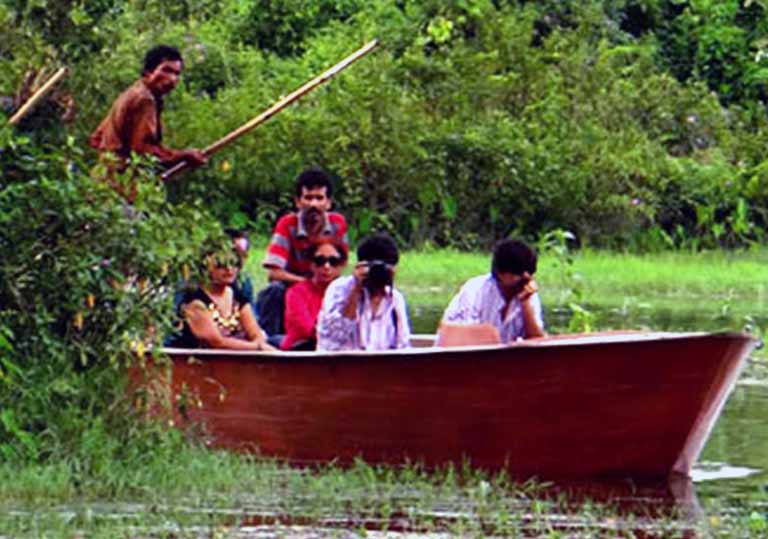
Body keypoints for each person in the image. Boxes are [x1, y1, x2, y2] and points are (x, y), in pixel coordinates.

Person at [89, 45, 207, 201]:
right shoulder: (144, 99)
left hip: (101, 183)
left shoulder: (132, 93)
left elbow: (96, 138)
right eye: (166, 70)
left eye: (177, 74)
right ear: (148, 71)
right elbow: (143, 151)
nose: (172, 79)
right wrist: (183, 156)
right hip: (119, 189)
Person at [257, 168, 348, 338]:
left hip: (326, 283)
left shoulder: (337, 223)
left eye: (319, 198)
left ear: (328, 203)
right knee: (274, 291)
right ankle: (268, 340)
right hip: (294, 285)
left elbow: (341, 264)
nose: (314, 204)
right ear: (298, 202)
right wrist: (309, 283)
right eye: (308, 198)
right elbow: (274, 273)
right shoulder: (287, 224)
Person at [317, 233, 411, 351]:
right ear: (361, 266)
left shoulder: (395, 299)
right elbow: (334, 338)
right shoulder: (339, 289)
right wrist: (356, 290)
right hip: (342, 360)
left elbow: (403, 345)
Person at [440, 238, 545, 343]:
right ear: (501, 274)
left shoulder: (527, 294)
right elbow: (462, 337)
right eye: (519, 274)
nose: (526, 279)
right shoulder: (475, 290)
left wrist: (525, 303)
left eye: (529, 274)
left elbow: (537, 341)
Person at [172, 248, 274, 350]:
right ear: (205, 268)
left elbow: (256, 334)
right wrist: (258, 347)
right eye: (220, 265)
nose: (229, 269)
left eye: (234, 263)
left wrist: (260, 345)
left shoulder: (237, 295)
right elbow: (216, 342)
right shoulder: (194, 301)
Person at [281, 239, 347, 351]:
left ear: (341, 265)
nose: (326, 266)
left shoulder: (347, 293)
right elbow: (306, 330)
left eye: (333, 261)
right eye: (320, 261)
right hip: (302, 351)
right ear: (311, 264)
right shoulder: (296, 293)